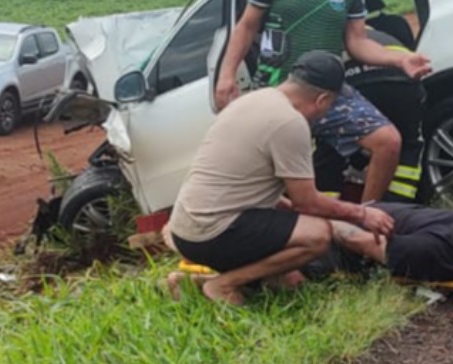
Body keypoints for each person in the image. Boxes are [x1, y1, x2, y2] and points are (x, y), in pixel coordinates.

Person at [214, 0, 432, 203]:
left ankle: (366, 217)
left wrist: (401, 58)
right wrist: (226, 75)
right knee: (268, 169)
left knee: (389, 141)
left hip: (328, 92)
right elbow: (246, 27)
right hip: (279, 91)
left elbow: (358, 42)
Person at [166, 51, 394, 305]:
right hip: (213, 232)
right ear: (322, 99)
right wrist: (362, 214)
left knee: (290, 282)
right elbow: (306, 203)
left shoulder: (253, 100)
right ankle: (224, 284)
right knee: (317, 235)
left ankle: (190, 283)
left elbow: (259, 189)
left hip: (186, 229)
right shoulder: (290, 123)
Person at [315, 29, 427, 203]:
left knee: (332, 144)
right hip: (404, 82)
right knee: (407, 146)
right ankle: (397, 208)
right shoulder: (383, 35)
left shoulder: (333, 36)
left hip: (357, 80)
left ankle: (325, 208)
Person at [303, 201, 453, 283]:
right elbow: (357, 240)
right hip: (332, 245)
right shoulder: (432, 250)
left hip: (373, 211)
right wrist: (312, 220)